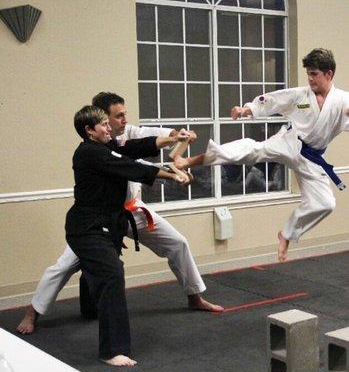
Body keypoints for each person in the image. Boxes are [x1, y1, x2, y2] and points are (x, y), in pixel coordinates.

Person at [17, 93, 223, 335]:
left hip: (132, 210)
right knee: (64, 266)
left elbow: (154, 140)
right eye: (118, 116)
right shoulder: (96, 148)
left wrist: (180, 137)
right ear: (103, 120)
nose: (124, 119)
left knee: (178, 243)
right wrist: (171, 174)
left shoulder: (129, 132)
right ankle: (32, 312)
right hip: (100, 219)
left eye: (124, 114)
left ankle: (194, 296)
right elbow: (133, 167)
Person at [174, 48, 349, 262]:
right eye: (309, 74)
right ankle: (190, 160)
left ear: (329, 74)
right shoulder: (301, 95)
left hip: (312, 158)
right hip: (289, 142)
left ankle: (287, 234)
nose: (310, 78)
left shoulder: (341, 101)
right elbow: (273, 100)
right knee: (252, 150)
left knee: (325, 203)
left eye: (314, 74)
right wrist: (246, 109)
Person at [65, 105, 190, 366]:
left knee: (99, 270)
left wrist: (172, 139)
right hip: (87, 227)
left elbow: (135, 148)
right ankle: (112, 350)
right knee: (111, 274)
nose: (109, 127)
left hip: (107, 224)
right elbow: (130, 167)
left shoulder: (106, 146)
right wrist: (173, 174)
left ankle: (90, 310)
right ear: (89, 130)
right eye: (103, 124)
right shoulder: (90, 152)